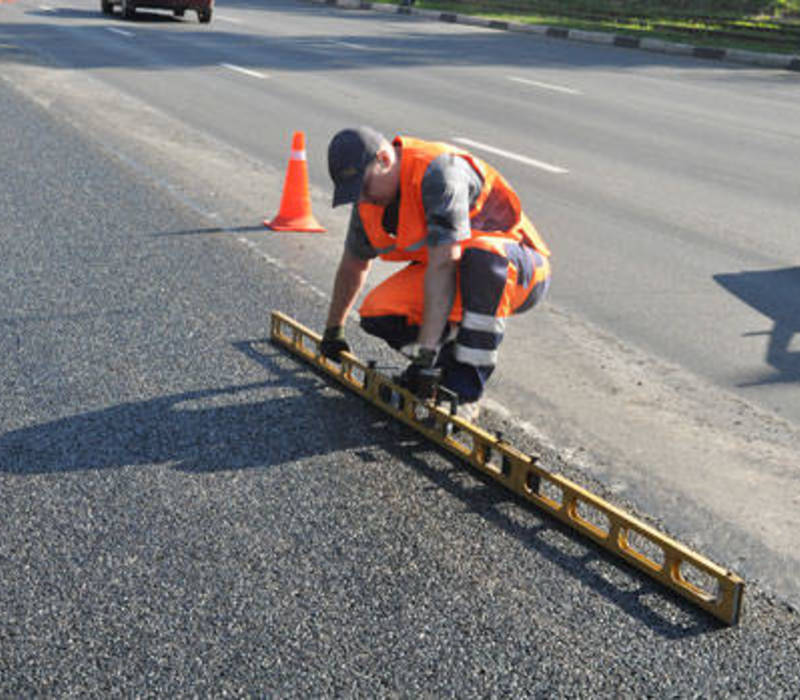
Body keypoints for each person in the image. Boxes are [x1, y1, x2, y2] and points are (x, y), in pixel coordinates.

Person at [320, 126, 552, 420]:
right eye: (355, 193)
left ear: (384, 159)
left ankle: (464, 392)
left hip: (518, 270)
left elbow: (444, 264)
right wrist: (333, 330)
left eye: (364, 187)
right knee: (378, 313)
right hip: (453, 273)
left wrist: (424, 356)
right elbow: (354, 264)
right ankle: (445, 368)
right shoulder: (369, 204)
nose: (363, 199)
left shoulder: (438, 173)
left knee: (482, 255)